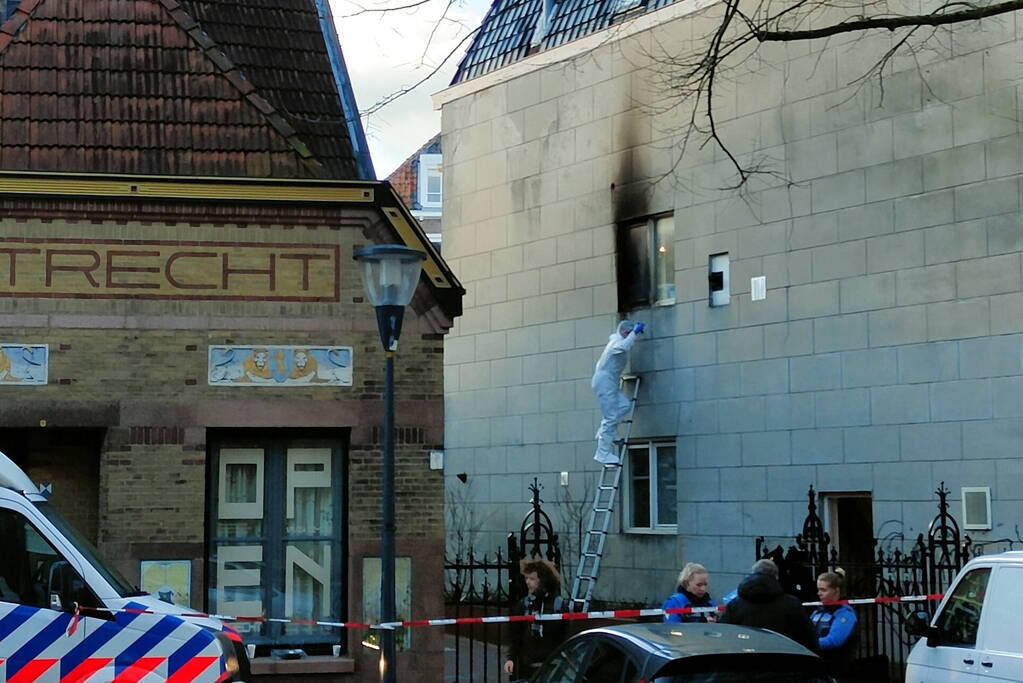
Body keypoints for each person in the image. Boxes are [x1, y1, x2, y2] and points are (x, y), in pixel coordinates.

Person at [719, 559, 817, 651]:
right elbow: (808, 637)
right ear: (776, 577)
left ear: (753, 574)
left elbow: (725, 634)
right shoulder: (791, 604)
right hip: (783, 655)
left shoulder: (734, 605)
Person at [591, 320, 644, 464]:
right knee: (610, 417)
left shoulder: (617, 342)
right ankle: (602, 453)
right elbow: (624, 346)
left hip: (610, 382)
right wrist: (634, 332)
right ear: (625, 332)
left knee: (624, 405)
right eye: (629, 333)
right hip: (604, 383)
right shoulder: (615, 344)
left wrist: (634, 333)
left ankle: (607, 431)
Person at [504, 558, 566, 681]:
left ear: (543, 580)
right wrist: (511, 658)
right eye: (526, 578)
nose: (528, 582)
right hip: (527, 664)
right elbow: (515, 634)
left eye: (532, 579)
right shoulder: (524, 604)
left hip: (551, 663)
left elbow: (563, 635)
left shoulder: (557, 605)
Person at [811, 569, 858, 679]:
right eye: (818, 589)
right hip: (817, 669)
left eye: (823, 590)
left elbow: (833, 640)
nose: (819, 593)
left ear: (836, 591)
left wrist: (807, 642)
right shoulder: (818, 611)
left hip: (837, 671)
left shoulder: (846, 614)